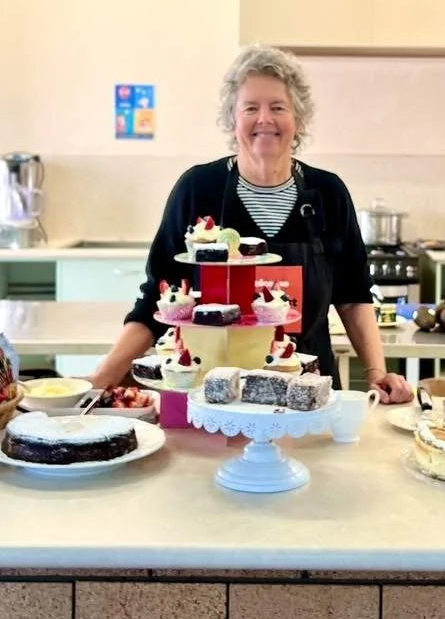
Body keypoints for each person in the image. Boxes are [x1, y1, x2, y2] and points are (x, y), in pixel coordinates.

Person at [90, 45, 414, 404]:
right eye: (250, 108)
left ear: (299, 119)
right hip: (212, 398)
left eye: (278, 107)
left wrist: (376, 374)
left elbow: (353, 297)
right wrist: (99, 380)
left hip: (308, 396)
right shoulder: (199, 189)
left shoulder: (328, 193)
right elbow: (156, 300)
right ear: (232, 118)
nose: (265, 119)